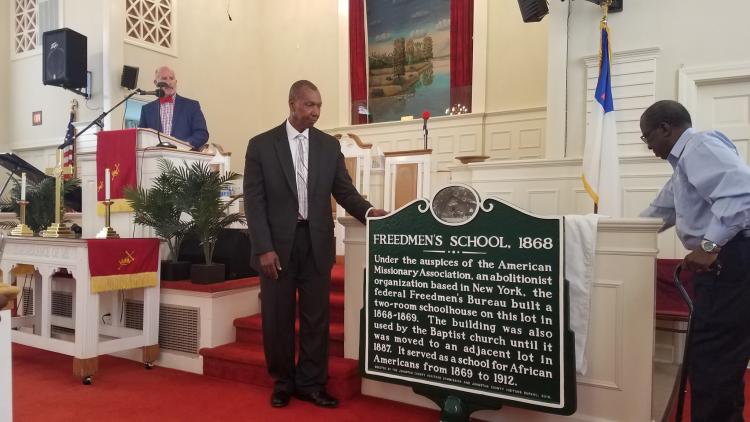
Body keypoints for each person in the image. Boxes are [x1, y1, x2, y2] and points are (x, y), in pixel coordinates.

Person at [244, 80, 387, 409]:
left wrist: (368, 211)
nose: (315, 112)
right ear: (292, 103)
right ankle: (283, 381)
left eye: (319, 106)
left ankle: (310, 382)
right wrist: (263, 247)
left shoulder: (327, 146)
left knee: (316, 318)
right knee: (278, 317)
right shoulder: (262, 145)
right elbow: (254, 202)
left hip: (317, 242)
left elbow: (344, 190)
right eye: (309, 105)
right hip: (277, 247)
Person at [640, 100, 750, 421]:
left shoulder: (699, 146)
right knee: (713, 360)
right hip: (723, 266)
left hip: (732, 261)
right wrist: (611, 235)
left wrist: (709, 244)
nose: (649, 147)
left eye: (648, 138)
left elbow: (743, 192)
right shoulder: (683, 166)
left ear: (665, 129)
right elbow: (658, 213)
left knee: (714, 361)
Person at [138, 66, 209, 149]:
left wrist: (185, 145)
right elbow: (141, 137)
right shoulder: (147, 110)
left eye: (171, 78)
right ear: (156, 82)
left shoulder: (192, 106)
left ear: (176, 81)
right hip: (156, 159)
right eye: (164, 78)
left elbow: (202, 133)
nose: (169, 82)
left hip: (184, 157)